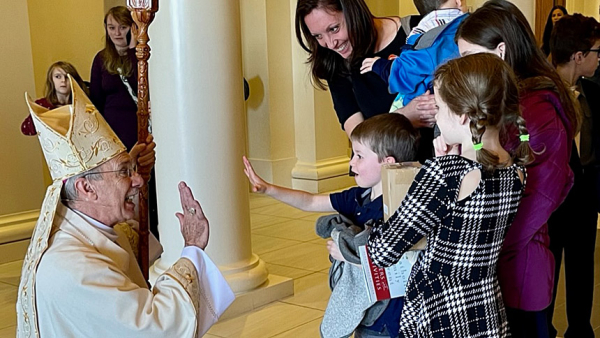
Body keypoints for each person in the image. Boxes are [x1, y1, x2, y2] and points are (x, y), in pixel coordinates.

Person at [16, 76, 235, 337]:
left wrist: (127, 169)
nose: (139, 180)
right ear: (87, 188)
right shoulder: (74, 267)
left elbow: (129, 242)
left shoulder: (83, 227)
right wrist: (192, 249)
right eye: (124, 172)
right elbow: (157, 327)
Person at [366, 53, 531, 338]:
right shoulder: (516, 172)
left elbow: (383, 251)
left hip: (439, 309)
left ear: (462, 114)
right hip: (485, 306)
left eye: (440, 107)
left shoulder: (445, 174)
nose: (436, 117)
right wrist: (449, 162)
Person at [455, 1, 580, 337]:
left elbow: (532, 206)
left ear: (500, 51)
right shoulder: (509, 102)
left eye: (468, 57)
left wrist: (481, 250)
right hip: (506, 263)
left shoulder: (538, 112)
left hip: (520, 268)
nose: (464, 69)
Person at [244, 113, 420, 337]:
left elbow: (398, 269)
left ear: (388, 163)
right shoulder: (358, 196)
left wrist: (347, 255)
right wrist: (269, 189)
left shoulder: (405, 208)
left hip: (390, 317)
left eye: (359, 156)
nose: (351, 162)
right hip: (365, 313)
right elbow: (310, 201)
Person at [295, 0, 436, 162]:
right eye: (318, 36)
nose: (330, 43)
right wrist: (405, 116)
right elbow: (358, 137)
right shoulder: (336, 63)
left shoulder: (418, 30)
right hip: (388, 176)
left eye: (334, 29)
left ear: (353, 12)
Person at [546, 14, 600, 338]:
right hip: (549, 203)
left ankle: (580, 331)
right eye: (596, 52)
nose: (599, 59)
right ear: (578, 56)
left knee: (582, 274)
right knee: (547, 276)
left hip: (585, 199)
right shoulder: (539, 96)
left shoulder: (593, 94)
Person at [360, 0, 467, 112]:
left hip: (434, 110)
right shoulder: (472, 27)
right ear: (458, 1)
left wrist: (381, 66)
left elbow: (403, 75)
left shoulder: (425, 38)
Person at [90, 5, 138, 151]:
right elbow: (96, 101)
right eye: (111, 28)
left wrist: (133, 48)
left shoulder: (141, 56)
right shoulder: (101, 59)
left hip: (138, 124)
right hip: (112, 128)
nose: (117, 33)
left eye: (122, 27)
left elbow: (142, 87)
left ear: (132, 28)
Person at [21, 61, 88, 136]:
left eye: (67, 77)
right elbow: (25, 129)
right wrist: (42, 117)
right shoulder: (42, 104)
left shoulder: (83, 104)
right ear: (51, 80)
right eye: (58, 77)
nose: (63, 80)